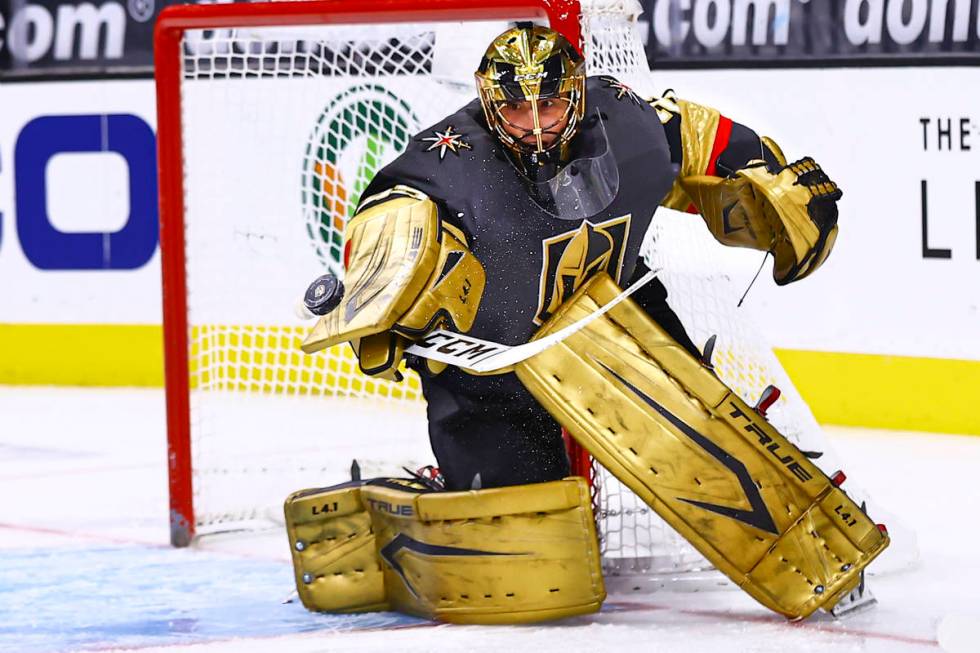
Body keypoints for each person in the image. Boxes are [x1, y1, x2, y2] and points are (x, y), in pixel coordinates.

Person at [288, 25, 883, 624]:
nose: (537, 122)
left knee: (709, 447)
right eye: (517, 107)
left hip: (615, 319)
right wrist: (386, 306)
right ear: (487, 102)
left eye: (549, 102)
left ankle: (820, 541)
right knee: (533, 567)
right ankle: (410, 502)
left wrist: (768, 179)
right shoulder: (439, 169)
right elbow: (385, 232)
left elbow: (708, 140)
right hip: (492, 370)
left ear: (575, 92)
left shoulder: (627, 123)